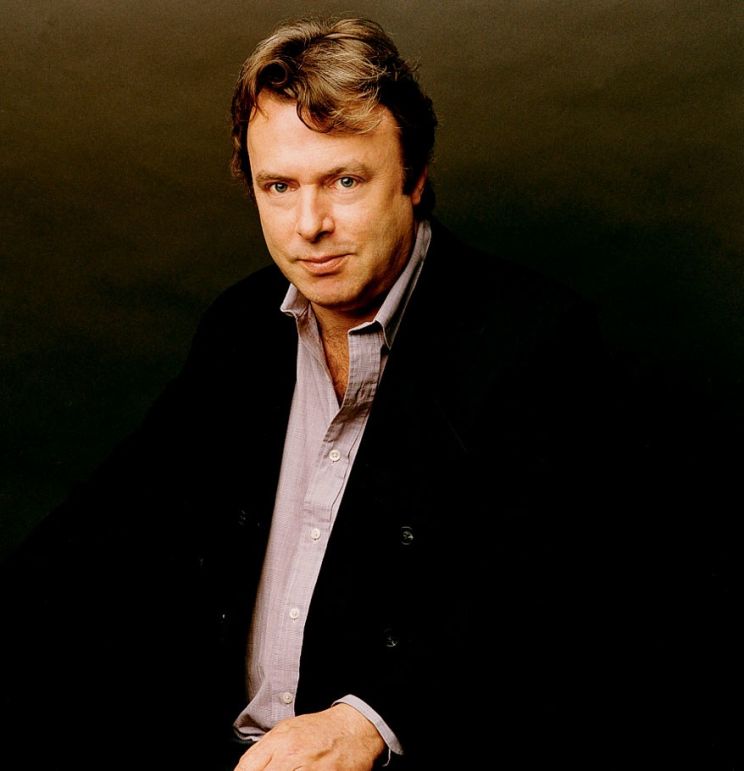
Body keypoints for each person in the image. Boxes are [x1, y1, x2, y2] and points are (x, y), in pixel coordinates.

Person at [0, 15, 699, 771]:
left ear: (415, 176)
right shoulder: (241, 327)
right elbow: (113, 522)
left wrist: (371, 721)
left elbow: (555, 594)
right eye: (279, 186)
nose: (310, 225)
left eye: (345, 180)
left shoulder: (535, 340)